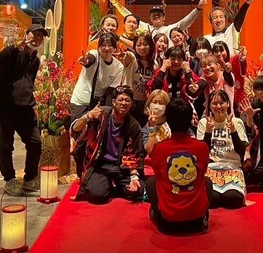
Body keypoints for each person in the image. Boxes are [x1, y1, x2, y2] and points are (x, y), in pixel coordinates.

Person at [0, 25, 45, 196]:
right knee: (6, 146)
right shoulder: (13, 53)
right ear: (26, 35)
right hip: (6, 108)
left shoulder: (35, 60)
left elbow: (29, 81)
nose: (37, 38)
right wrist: (15, 48)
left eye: (41, 36)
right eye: (34, 34)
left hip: (26, 109)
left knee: (35, 142)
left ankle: (30, 178)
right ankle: (9, 179)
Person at [147, 98, 211, 234]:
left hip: (167, 223)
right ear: (190, 120)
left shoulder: (159, 148)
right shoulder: (202, 147)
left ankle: (157, 214)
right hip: (196, 222)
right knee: (207, 181)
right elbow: (202, 173)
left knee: (151, 182)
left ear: (167, 120)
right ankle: (204, 217)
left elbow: (159, 176)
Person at [71, 85, 145, 204]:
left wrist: (134, 177)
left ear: (131, 104)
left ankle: (112, 184)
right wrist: (88, 116)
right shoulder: (101, 114)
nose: (123, 103)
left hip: (122, 166)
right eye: (120, 100)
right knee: (97, 195)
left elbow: (134, 153)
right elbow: (75, 129)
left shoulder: (133, 125)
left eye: (127, 100)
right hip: (101, 165)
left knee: (138, 192)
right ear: (113, 102)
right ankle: (106, 184)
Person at [70, 32, 126, 176]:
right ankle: (80, 171)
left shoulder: (118, 67)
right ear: (98, 47)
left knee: (94, 136)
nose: (106, 48)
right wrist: (86, 61)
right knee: (79, 135)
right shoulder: (94, 54)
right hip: (81, 100)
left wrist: (107, 113)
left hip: (97, 104)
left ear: (115, 48)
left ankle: (90, 171)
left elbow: (111, 92)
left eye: (110, 45)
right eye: (103, 45)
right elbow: (90, 59)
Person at [197, 90, 248, 209]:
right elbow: (201, 153)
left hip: (232, 167)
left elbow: (241, 151)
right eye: (214, 103)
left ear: (228, 104)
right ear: (209, 106)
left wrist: (233, 131)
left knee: (233, 199)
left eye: (222, 103)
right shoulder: (204, 123)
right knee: (213, 199)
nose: (218, 106)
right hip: (211, 167)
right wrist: (208, 132)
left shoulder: (237, 122)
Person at [108, 0, 208, 38]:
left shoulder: (170, 29)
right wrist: (115, 3)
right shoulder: (146, 27)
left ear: (164, 17)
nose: (156, 16)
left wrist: (198, 8)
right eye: (153, 15)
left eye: (159, 15)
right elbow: (128, 15)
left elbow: (185, 22)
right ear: (150, 18)